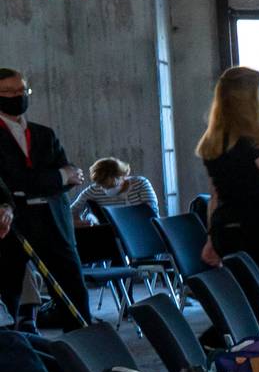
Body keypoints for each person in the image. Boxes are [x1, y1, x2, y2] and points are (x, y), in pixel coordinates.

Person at [0, 68, 88, 329]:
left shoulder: (44, 134)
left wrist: (57, 178)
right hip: (14, 223)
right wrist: (59, 176)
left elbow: (71, 178)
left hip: (53, 220)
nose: (18, 96)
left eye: (22, 91)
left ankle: (83, 352)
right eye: (10, 92)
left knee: (73, 289)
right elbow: (14, 181)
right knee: (9, 292)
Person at [198, 67, 259, 283]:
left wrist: (211, 237)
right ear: (249, 98)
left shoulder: (214, 142)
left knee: (246, 303)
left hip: (225, 233)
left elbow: (216, 197)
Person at [72, 158, 159, 225]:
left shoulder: (140, 183)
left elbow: (151, 212)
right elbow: (70, 212)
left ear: (121, 175)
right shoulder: (93, 190)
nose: (105, 188)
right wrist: (84, 222)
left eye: (110, 184)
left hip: (142, 231)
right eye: (101, 184)